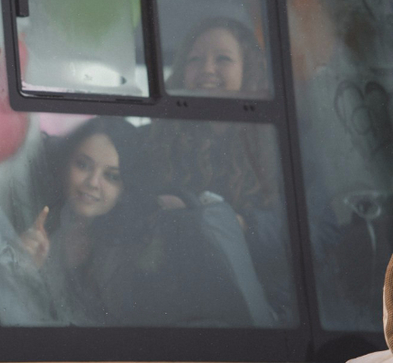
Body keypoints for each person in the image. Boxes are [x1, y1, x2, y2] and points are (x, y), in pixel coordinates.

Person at [19, 116, 256, 327]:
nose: (92, 182)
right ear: (65, 164)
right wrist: (26, 267)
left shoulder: (141, 247)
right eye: (83, 165)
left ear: (127, 187)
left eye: (111, 176)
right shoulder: (42, 220)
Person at [141, 17, 296, 325]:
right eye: (195, 60)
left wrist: (239, 224)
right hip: (175, 306)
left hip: (268, 312)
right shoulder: (156, 140)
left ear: (248, 69)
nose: (207, 69)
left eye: (222, 59)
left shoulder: (281, 140)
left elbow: (314, 230)